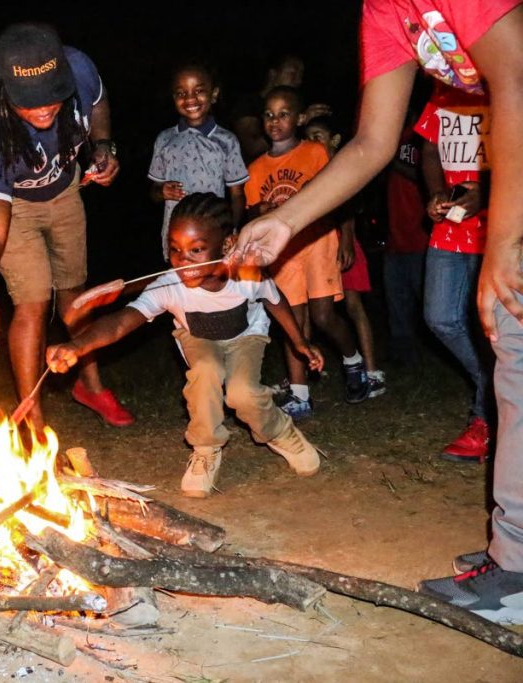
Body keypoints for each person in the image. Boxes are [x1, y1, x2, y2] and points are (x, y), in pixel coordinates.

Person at [231, 0, 523, 621]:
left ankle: (519, 571)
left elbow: (518, 80)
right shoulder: (384, 15)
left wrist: (503, 246)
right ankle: (516, 554)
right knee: (515, 364)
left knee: (516, 347)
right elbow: (370, 143)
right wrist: (283, 221)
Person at [46, 193, 323, 498]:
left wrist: (300, 342)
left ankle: (279, 431)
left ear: (227, 245)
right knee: (205, 373)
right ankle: (206, 447)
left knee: (242, 393)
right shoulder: (169, 286)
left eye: (197, 250)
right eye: (175, 249)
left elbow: (276, 301)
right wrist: (77, 345)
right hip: (198, 340)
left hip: (247, 336)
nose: (183, 260)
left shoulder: (246, 273)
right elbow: (122, 322)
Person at [0, 22, 133, 431]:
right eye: (29, 102)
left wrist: (104, 147)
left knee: (75, 295)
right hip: (12, 206)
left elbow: (100, 104)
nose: (43, 108)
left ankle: (90, 387)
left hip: (65, 188)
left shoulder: (79, 69)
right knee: (33, 302)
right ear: (5, 92)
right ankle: (32, 418)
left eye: (51, 96)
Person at [244, 86, 369, 420]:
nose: (275, 121)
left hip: (318, 241)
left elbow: (340, 195)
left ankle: (353, 361)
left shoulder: (315, 152)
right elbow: (251, 212)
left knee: (323, 315)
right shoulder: (255, 169)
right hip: (284, 252)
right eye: (269, 114)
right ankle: (300, 394)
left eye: (284, 114)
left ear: (299, 119)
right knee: (292, 323)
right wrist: (261, 209)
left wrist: (345, 238)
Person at [417, 83, 493, 463]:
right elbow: (429, 149)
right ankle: (497, 385)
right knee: (440, 317)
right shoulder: (443, 94)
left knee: (493, 326)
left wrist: (488, 192)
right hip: (450, 227)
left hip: (499, 228)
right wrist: (436, 193)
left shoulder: (505, 82)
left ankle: (485, 420)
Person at [304, 115, 386, 398]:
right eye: (309, 136)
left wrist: (348, 239)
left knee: (353, 305)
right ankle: (306, 371)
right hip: (315, 244)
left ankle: (373, 371)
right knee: (311, 307)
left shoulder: (341, 165)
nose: (313, 141)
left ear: (334, 140)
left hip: (342, 242)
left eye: (318, 135)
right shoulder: (308, 163)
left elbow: (348, 205)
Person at [148, 61, 247, 261]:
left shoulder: (226, 141)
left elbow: (237, 195)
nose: (190, 99)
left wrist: (231, 230)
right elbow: (153, 192)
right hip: (176, 239)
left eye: (199, 91)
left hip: (213, 237)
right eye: (181, 93)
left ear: (214, 94)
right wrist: (162, 191)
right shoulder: (165, 140)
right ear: (174, 98)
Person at [383, 112, 429, 368]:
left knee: (428, 303)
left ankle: (439, 354)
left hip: (421, 237)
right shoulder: (390, 137)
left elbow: (424, 177)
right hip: (394, 237)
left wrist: (391, 161)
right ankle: (404, 358)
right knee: (396, 303)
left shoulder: (423, 137)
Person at [229, 55, 332, 163]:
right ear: (273, 75)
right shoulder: (248, 104)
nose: (298, 80)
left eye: (301, 75)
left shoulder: (298, 109)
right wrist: (295, 122)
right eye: (293, 74)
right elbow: (253, 146)